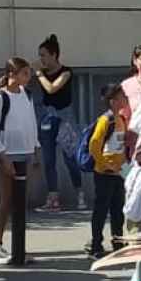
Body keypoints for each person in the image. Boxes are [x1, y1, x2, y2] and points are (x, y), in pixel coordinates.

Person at [0, 58, 38, 266]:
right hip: (7, 154)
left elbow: (31, 122)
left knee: (20, 200)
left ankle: (19, 248)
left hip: (26, 152)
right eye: (24, 73)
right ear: (11, 74)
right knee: (7, 200)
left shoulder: (28, 95)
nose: (28, 77)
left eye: (29, 73)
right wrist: (2, 156)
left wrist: (35, 149)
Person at [33, 34, 85, 212]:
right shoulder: (43, 74)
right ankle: (53, 197)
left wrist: (39, 74)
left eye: (44, 55)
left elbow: (52, 88)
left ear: (54, 55)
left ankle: (80, 194)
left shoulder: (66, 72)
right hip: (48, 117)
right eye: (40, 56)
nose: (42, 59)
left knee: (70, 157)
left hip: (65, 118)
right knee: (49, 159)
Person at [86, 83, 132, 258]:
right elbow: (94, 145)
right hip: (104, 173)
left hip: (118, 172)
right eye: (121, 97)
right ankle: (96, 244)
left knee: (117, 210)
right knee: (101, 209)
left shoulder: (121, 119)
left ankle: (117, 241)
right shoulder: (106, 120)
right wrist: (104, 163)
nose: (125, 99)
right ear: (112, 101)